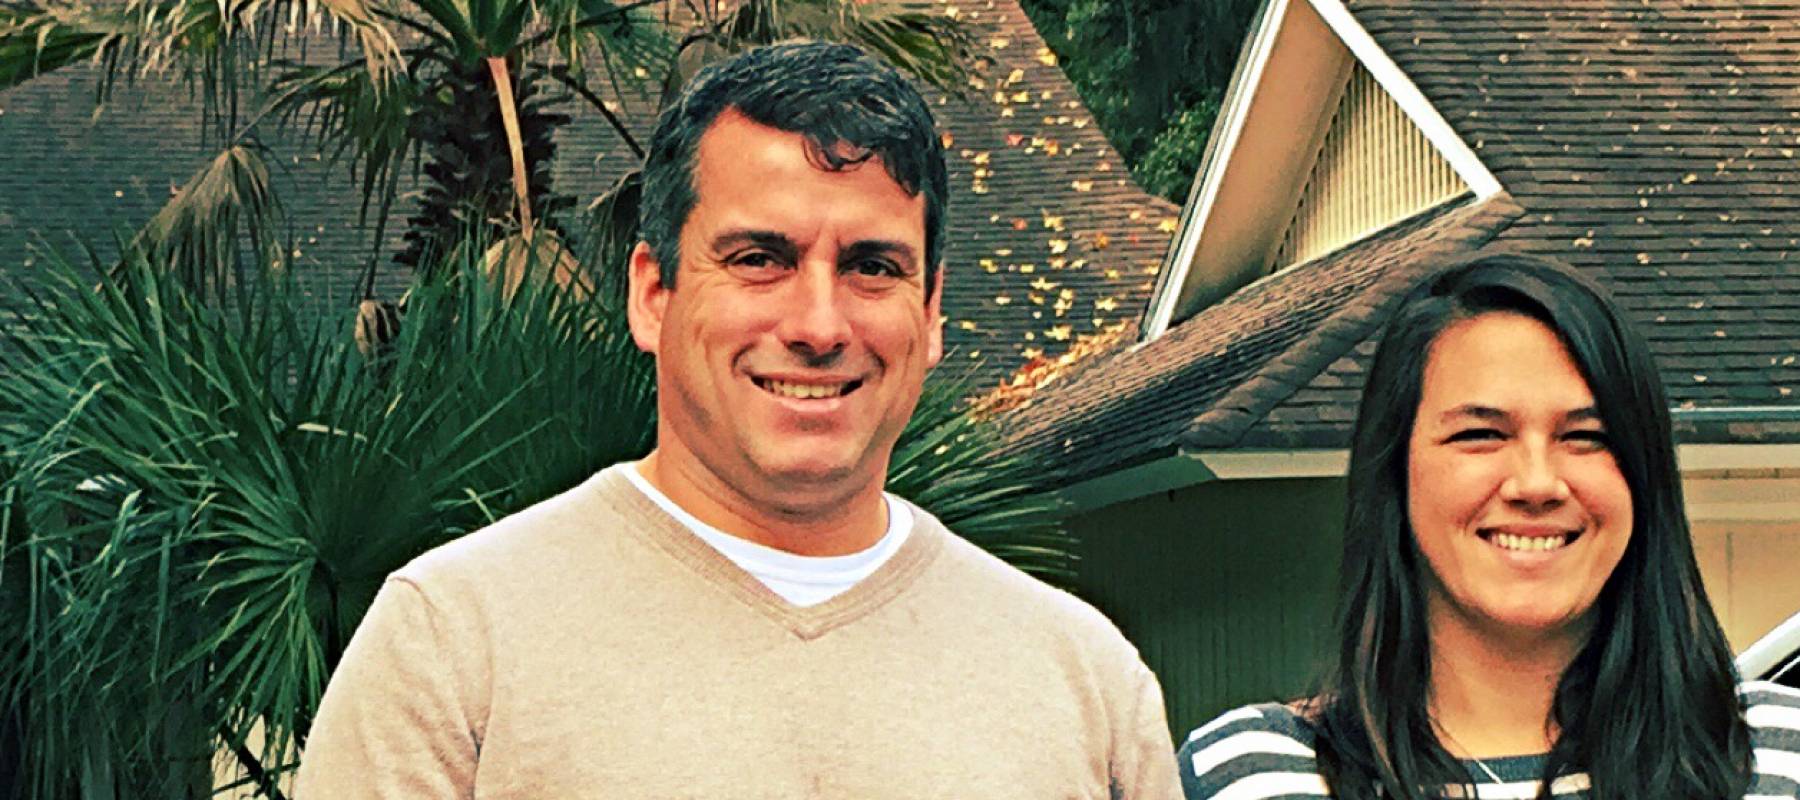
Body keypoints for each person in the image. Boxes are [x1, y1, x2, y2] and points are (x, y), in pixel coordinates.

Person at [296, 41, 1181, 798]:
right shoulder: (453, 646)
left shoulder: (1085, 682)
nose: (819, 326)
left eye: (873, 267)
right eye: (761, 259)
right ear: (652, 294)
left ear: (933, 310)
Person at [1178, 252, 1800, 799]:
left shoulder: (1780, 753)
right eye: (1480, 434)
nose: (1536, 484)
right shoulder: (1256, 772)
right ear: (1395, 472)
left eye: (1585, 437)